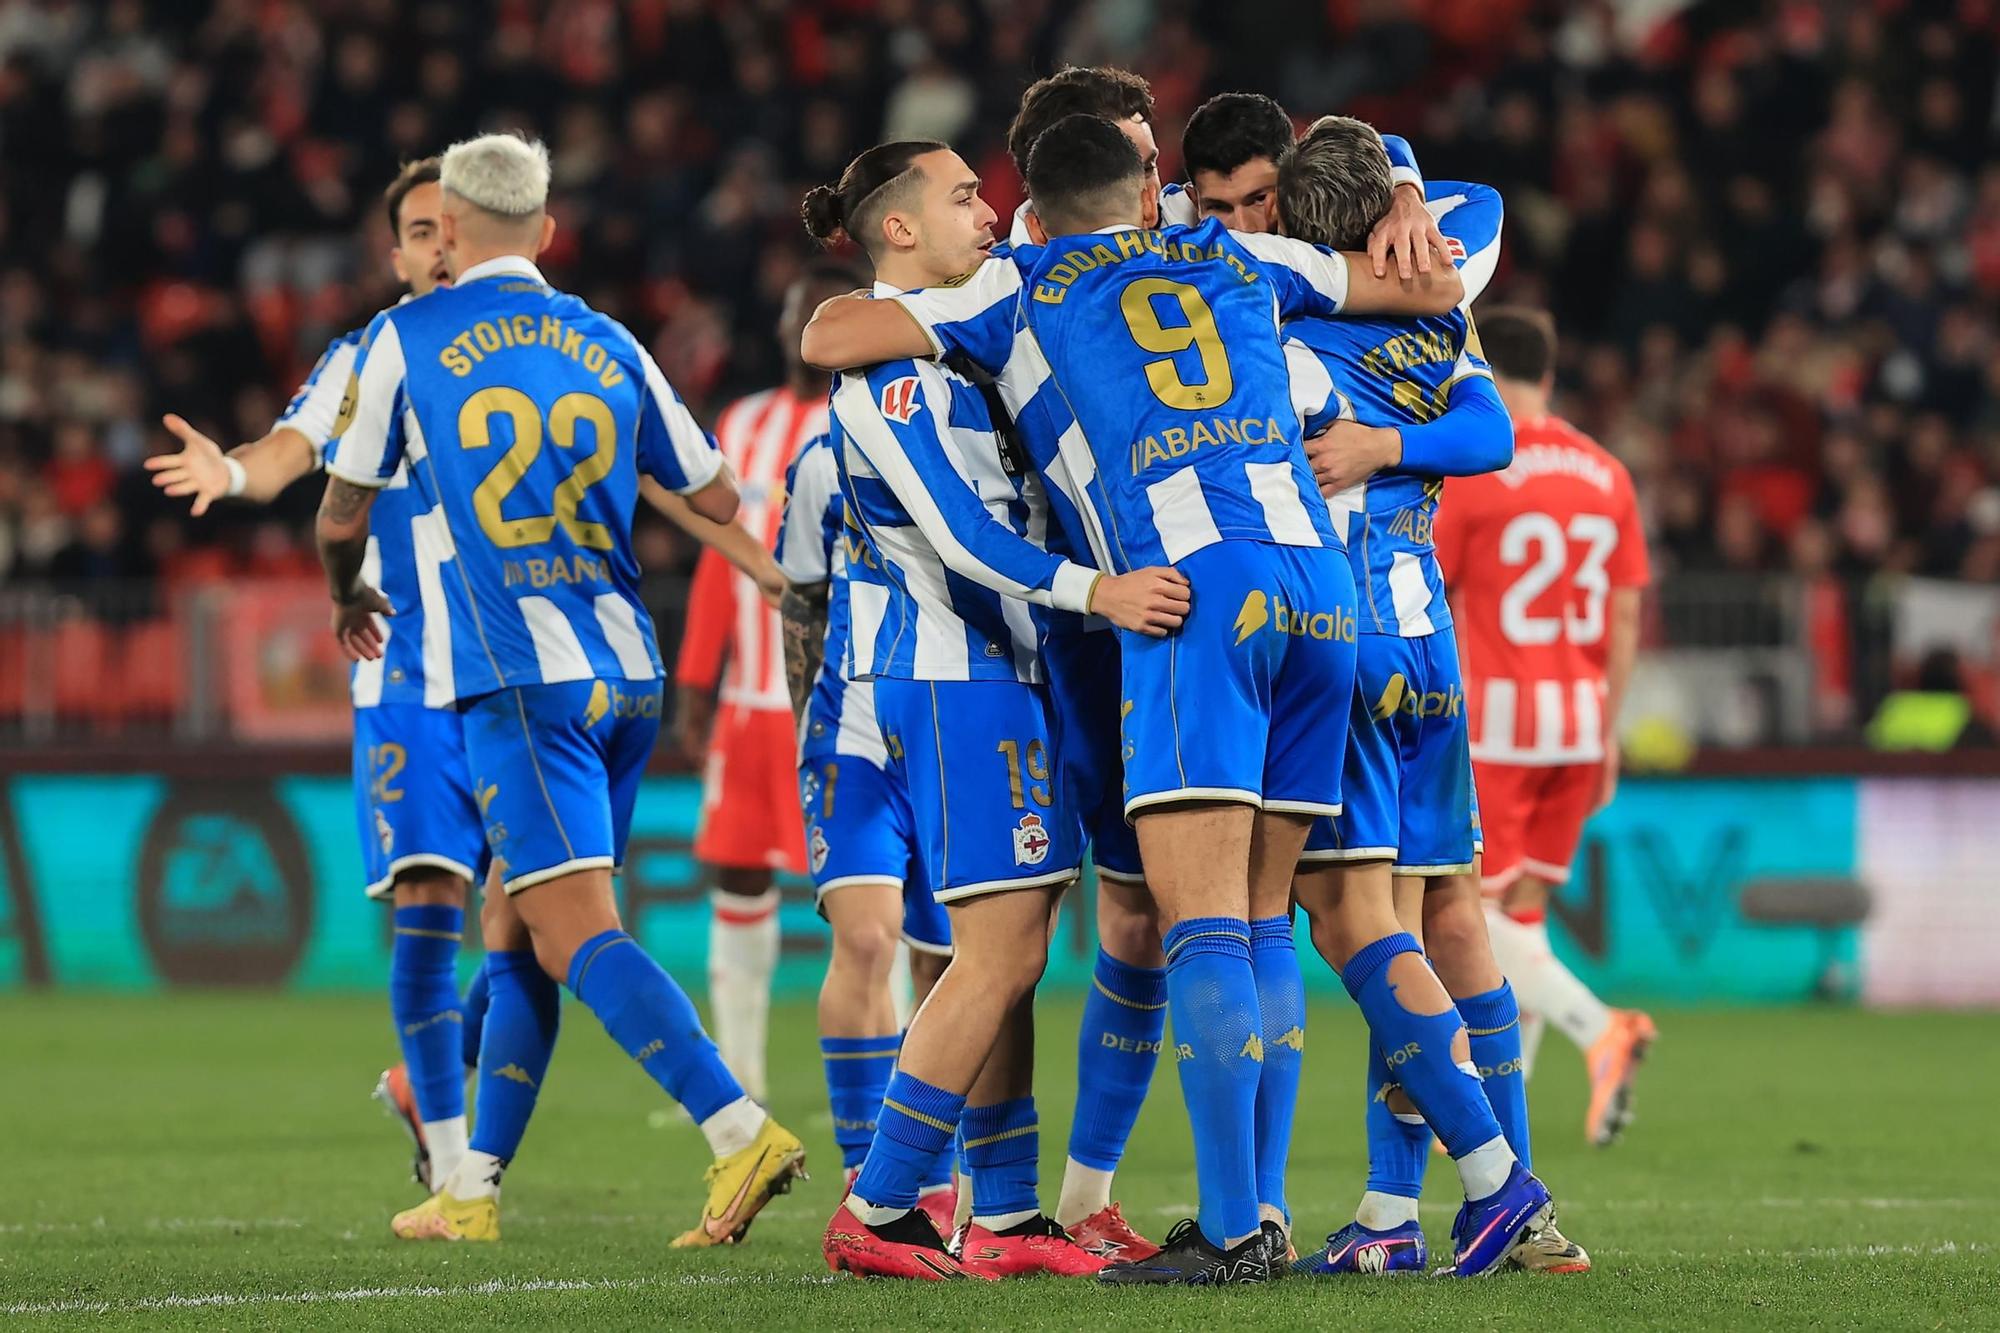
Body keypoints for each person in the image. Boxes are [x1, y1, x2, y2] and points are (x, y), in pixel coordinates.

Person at [804, 111, 1462, 1285]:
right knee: (1265, 916)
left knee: (1194, 919)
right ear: (1153, 184)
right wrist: (1405, 213)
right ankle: (1260, 1209)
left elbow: (834, 332)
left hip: (1183, 591)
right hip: (1321, 589)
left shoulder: (1015, 283)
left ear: (1034, 206)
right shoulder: (1243, 256)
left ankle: (1223, 1231)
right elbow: (1423, 293)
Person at [315, 131, 804, 1246]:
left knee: (574, 928)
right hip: (625, 672)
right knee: (519, 920)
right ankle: (472, 1186)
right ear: (544, 231)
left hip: (521, 683)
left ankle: (738, 1130)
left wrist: (348, 590)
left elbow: (341, 512)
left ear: (454, 230)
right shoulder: (607, 340)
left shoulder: (405, 338)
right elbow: (719, 496)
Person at [797, 140, 1190, 1282]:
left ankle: (1009, 1216)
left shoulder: (962, 338)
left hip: (1005, 676)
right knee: (998, 950)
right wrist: (1095, 590)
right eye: (963, 193)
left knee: (1008, 949)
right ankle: (878, 1199)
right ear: (900, 229)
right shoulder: (889, 374)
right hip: (949, 678)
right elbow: (962, 535)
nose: (990, 207)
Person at [1271, 114, 1585, 1277]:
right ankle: (1399, 1214)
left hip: (1339, 640)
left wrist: (1361, 447)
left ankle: (1488, 1189)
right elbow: (1493, 429)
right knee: (1447, 912)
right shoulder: (1439, 306)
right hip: (1426, 648)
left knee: (1371, 927)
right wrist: (1403, 186)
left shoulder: (1282, 317)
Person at [146, 158, 495, 1196]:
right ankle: (450, 1161)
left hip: (528, 668)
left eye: (454, 228)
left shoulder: (542, 346)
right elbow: (292, 447)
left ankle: (423, 1076)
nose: (438, 246)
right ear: (394, 255)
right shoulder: (367, 353)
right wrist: (235, 472)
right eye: (420, 230)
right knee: (432, 902)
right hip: (404, 669)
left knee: (551, 932)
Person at [1435, 306, 1658, 1149]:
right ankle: (1509, 1128)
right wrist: (1607, 732)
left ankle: (1600, 1025)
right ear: (1554, 374)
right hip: (1579, 721)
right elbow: (1627, 619)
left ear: (1480, 368)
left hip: (1495, 722)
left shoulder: (1478, 463)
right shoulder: (1608, 473)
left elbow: (1435, 587)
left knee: (1464, 912)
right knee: (1519, 922)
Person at [671, 262, 857, 1103]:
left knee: (868, 892)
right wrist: (696, 681)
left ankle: (893, 1076)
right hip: (749, 706)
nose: (799, 324)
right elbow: (721, 561)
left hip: (847, 699)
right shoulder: (740, 423)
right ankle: (737, 1085)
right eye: (792, 310)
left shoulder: (872, 417)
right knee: (738, 880)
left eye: (817, 312)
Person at [775, 424, 958, 1238]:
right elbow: (802, 600)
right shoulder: (821, 460)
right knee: (868, 942)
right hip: (849, 739)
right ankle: (864, 1164)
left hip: (955, 731)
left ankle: (939, 1174)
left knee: (950, 964)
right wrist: (800, 721)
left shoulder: (980, 434)